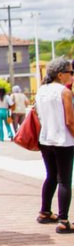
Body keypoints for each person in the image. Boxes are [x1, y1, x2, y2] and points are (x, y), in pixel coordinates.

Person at [34, 58, 74, 233]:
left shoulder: (41, 90)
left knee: (51, 176)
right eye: (70, 72)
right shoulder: (64, 92)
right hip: (63, 141)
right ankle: (64, 221)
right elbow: (70, 121)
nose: (72, 75)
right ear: (60, 74)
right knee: (64, 180)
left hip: (45, 139)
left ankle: (45, 212)